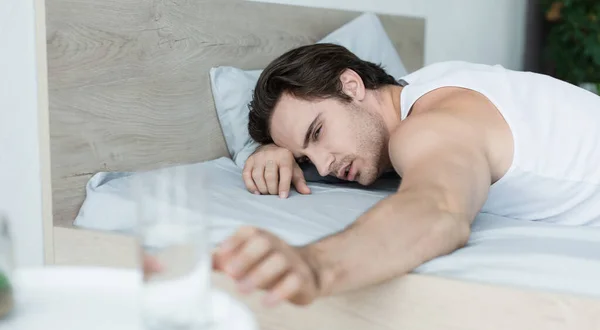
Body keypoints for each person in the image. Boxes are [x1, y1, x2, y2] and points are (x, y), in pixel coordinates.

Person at [210, 43, 600, 308]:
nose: (324, 166)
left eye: (317, 133)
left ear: (352, 85)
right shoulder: (427, 85)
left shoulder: (424, 130)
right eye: (306, 157)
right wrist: (276, 148)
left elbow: (439, 209)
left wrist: (315, 265)